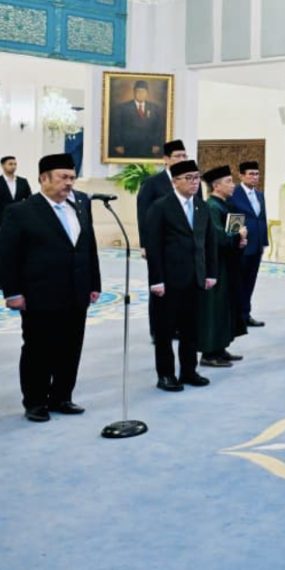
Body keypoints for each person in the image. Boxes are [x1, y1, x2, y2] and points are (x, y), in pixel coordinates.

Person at [0, 154, 100, 422]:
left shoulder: (81, 203)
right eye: (63, 177)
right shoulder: (20, 211)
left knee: (71, 347)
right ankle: (35, 401)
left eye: (72, 177)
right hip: (39, 294)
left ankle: (61, 397)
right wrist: (12, 292)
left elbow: (88, 246)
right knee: (38, 349)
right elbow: (7, 256)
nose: (69, 183)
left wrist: (94, 283)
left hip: (77, 291)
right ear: (43, 179)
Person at [145, 159, 217, 392]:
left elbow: (209, 242)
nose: (194, 182)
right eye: (189, 178)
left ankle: (189, 370)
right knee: (165, 331)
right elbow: (153, 247)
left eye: (197, 178)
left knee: (191, 329)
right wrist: (156, 280)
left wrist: (211, 273)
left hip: (195, 277)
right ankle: (165, 374)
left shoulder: (201, 206)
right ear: (175, 181)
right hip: (168, 280)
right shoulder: (160, 207)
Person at [198, 166, 248, 368]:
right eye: (228, 181)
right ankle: (209, 353)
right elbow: (218, 238)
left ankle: (220, 347)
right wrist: (238, 236)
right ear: (216, 186)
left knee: (225, 306)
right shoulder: (211, 207)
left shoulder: (222, 205)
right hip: (216, 266)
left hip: (227, 264)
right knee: (215, 308)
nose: (233, 184)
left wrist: (239, 240)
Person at [227, 160, 268, 327]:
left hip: (256, 245)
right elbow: (232, 220)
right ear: (241, 175)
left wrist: (263, 242)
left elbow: (262, 218)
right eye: (250, 174)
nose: (254, 177)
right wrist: (236, 240)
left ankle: (245, 314)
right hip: (241, 245)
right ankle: (234, 317)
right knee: (237, 282)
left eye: (256, 174)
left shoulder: (259, 195)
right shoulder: (234, 194)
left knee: (250, 282)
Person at [137, 139, 187, 253]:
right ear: (166, 159)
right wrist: (144, 245)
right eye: (178, 156)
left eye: (184, 156)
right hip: (160, 242)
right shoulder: (151, 183)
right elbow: (143, 215)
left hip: (186, 243)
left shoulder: (192, 183)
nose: (182, 160)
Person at [108, 79, 166, 159]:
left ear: (147, 93)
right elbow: (116, 127)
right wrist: (118, 144)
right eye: (138, 91)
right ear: (134, 93)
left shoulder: (155, 108)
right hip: (128, 147)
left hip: (149, 147)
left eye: (143, 92)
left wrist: (157, 144)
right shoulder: (123, 108)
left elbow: (159, 128)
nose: (140, 94)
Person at [1, 156, 32, 224]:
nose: (13, 166)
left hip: (20, 217)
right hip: (2, 218)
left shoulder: (23, 181)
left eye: (15, 164)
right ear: (3, 166)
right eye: (10, 164)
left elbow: (29, 199)